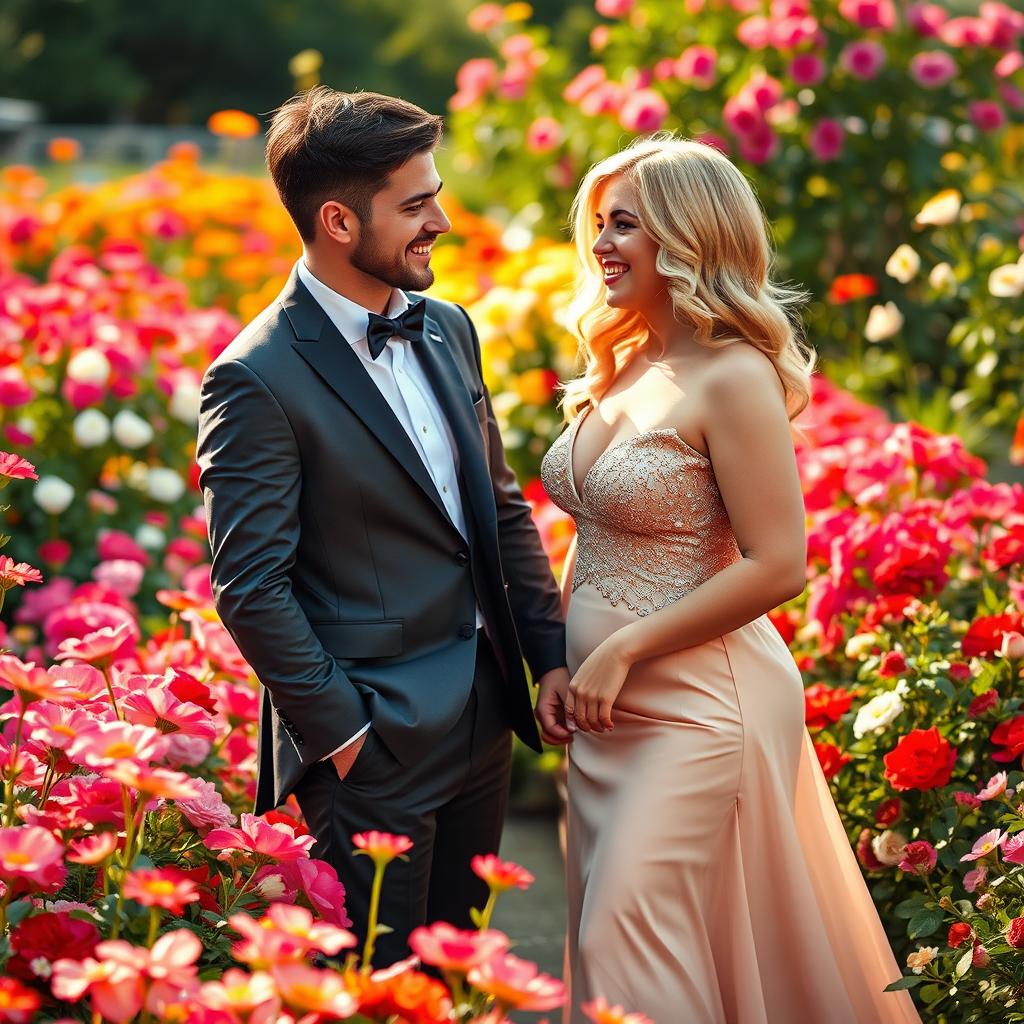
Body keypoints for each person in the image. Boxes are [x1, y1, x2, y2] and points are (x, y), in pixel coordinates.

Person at [540, 135, 921, 1024]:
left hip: (701, 710)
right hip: (604, 715)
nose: (600, 244)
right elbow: (593, 532)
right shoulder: (626, 361)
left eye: (624, 224)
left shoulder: (736, 375)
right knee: (639, 946)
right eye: (598, 223)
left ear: (687, 236)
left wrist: (622, 648)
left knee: (620, 936)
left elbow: (779, 564)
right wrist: (556, 659)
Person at [196, 87, 571, 964]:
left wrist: (548, 657)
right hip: (374, 747)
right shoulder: (255, 377)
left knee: (458, 975)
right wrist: (350, 738)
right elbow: (250, 588)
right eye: (415, 204)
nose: (440, 219)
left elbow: (499, 507)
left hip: (485, 720)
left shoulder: (447, 327)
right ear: (336, 219)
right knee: (381, 986)